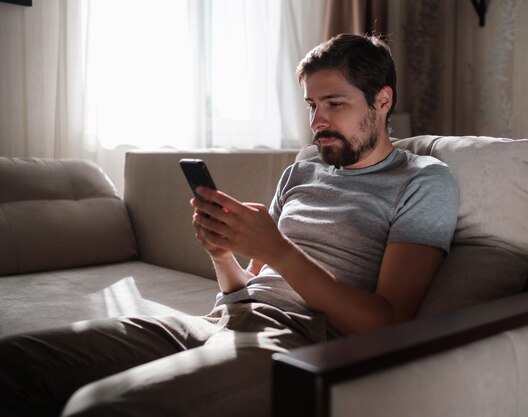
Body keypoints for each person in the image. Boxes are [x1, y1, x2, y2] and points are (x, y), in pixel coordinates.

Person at [0, 34, 458, 417]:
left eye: (334, 104)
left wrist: (279, 250)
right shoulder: (301, 172)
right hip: (222, 321)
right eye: (311, 105)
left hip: (294, 343)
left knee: (102, 404)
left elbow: (387, 323)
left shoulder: (423, 180)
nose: (317, 122)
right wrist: (221, 251)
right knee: (14, 362)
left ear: (382, 100)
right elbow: (246, 291)